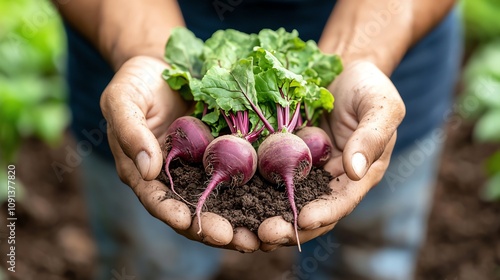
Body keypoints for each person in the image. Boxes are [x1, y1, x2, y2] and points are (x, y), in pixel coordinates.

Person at [54, 0, 462, 279]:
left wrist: (363, 55)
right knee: (151, 265)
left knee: (368, 262)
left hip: (392, 37)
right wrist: (143, 49)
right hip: (132, 42)